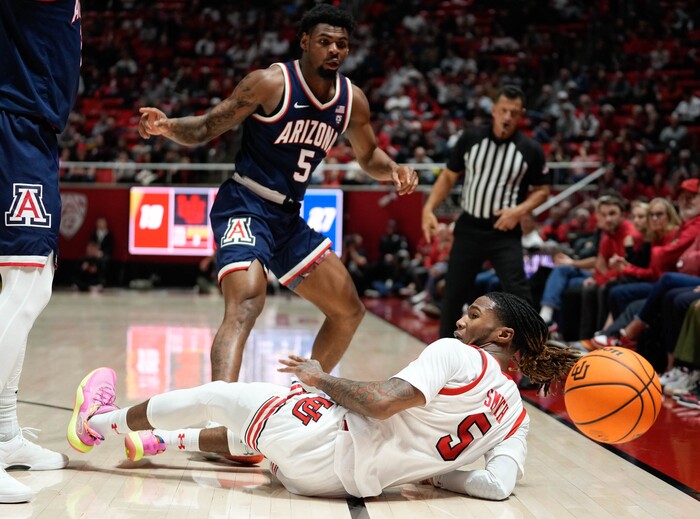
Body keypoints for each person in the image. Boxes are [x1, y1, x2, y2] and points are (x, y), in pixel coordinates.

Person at [66, 292, 580, 500]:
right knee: (262, 439)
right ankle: (161, 443)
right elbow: (495, 486)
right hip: (334, 487)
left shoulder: (455, 353)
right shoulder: (516, 415)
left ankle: (99, 423)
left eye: (475, 314)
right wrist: (433, 472)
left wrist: (320, 376)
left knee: (220, 391)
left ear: (503, 334)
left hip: (326, 440)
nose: (462, 318)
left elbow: (380, 402)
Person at [137, 5, 417, 384]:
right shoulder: (270, 83)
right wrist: (166, 126)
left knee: (348, 310)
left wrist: (395, 169)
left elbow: (368, 156)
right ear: (304, 42)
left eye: (342, 44)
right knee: (247, 301)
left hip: (287, 218)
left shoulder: (353, 101)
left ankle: (296, 401)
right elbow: (205, 127)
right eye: (324, 42)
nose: (334, 50)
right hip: (244, 203)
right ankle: (220, 413)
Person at [0, 0, 81, 503]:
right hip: (15, 123)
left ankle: (5, 430)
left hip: (33, 130)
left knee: (35, 284)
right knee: (24, 289)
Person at [422, 85, 551, 338]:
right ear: (494, 110)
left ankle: (534, 357)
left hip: (504, 231)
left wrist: (518, 211)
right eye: (503, 110)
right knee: (453, 294)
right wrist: (429, 208)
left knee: (519, 294)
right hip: (469, 226)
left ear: (521, 114)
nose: (507, 117)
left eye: (513, 113)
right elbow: (448, 176)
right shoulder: (470, 139)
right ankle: (444, 354)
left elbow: (543, 190)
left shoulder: (530, 149)